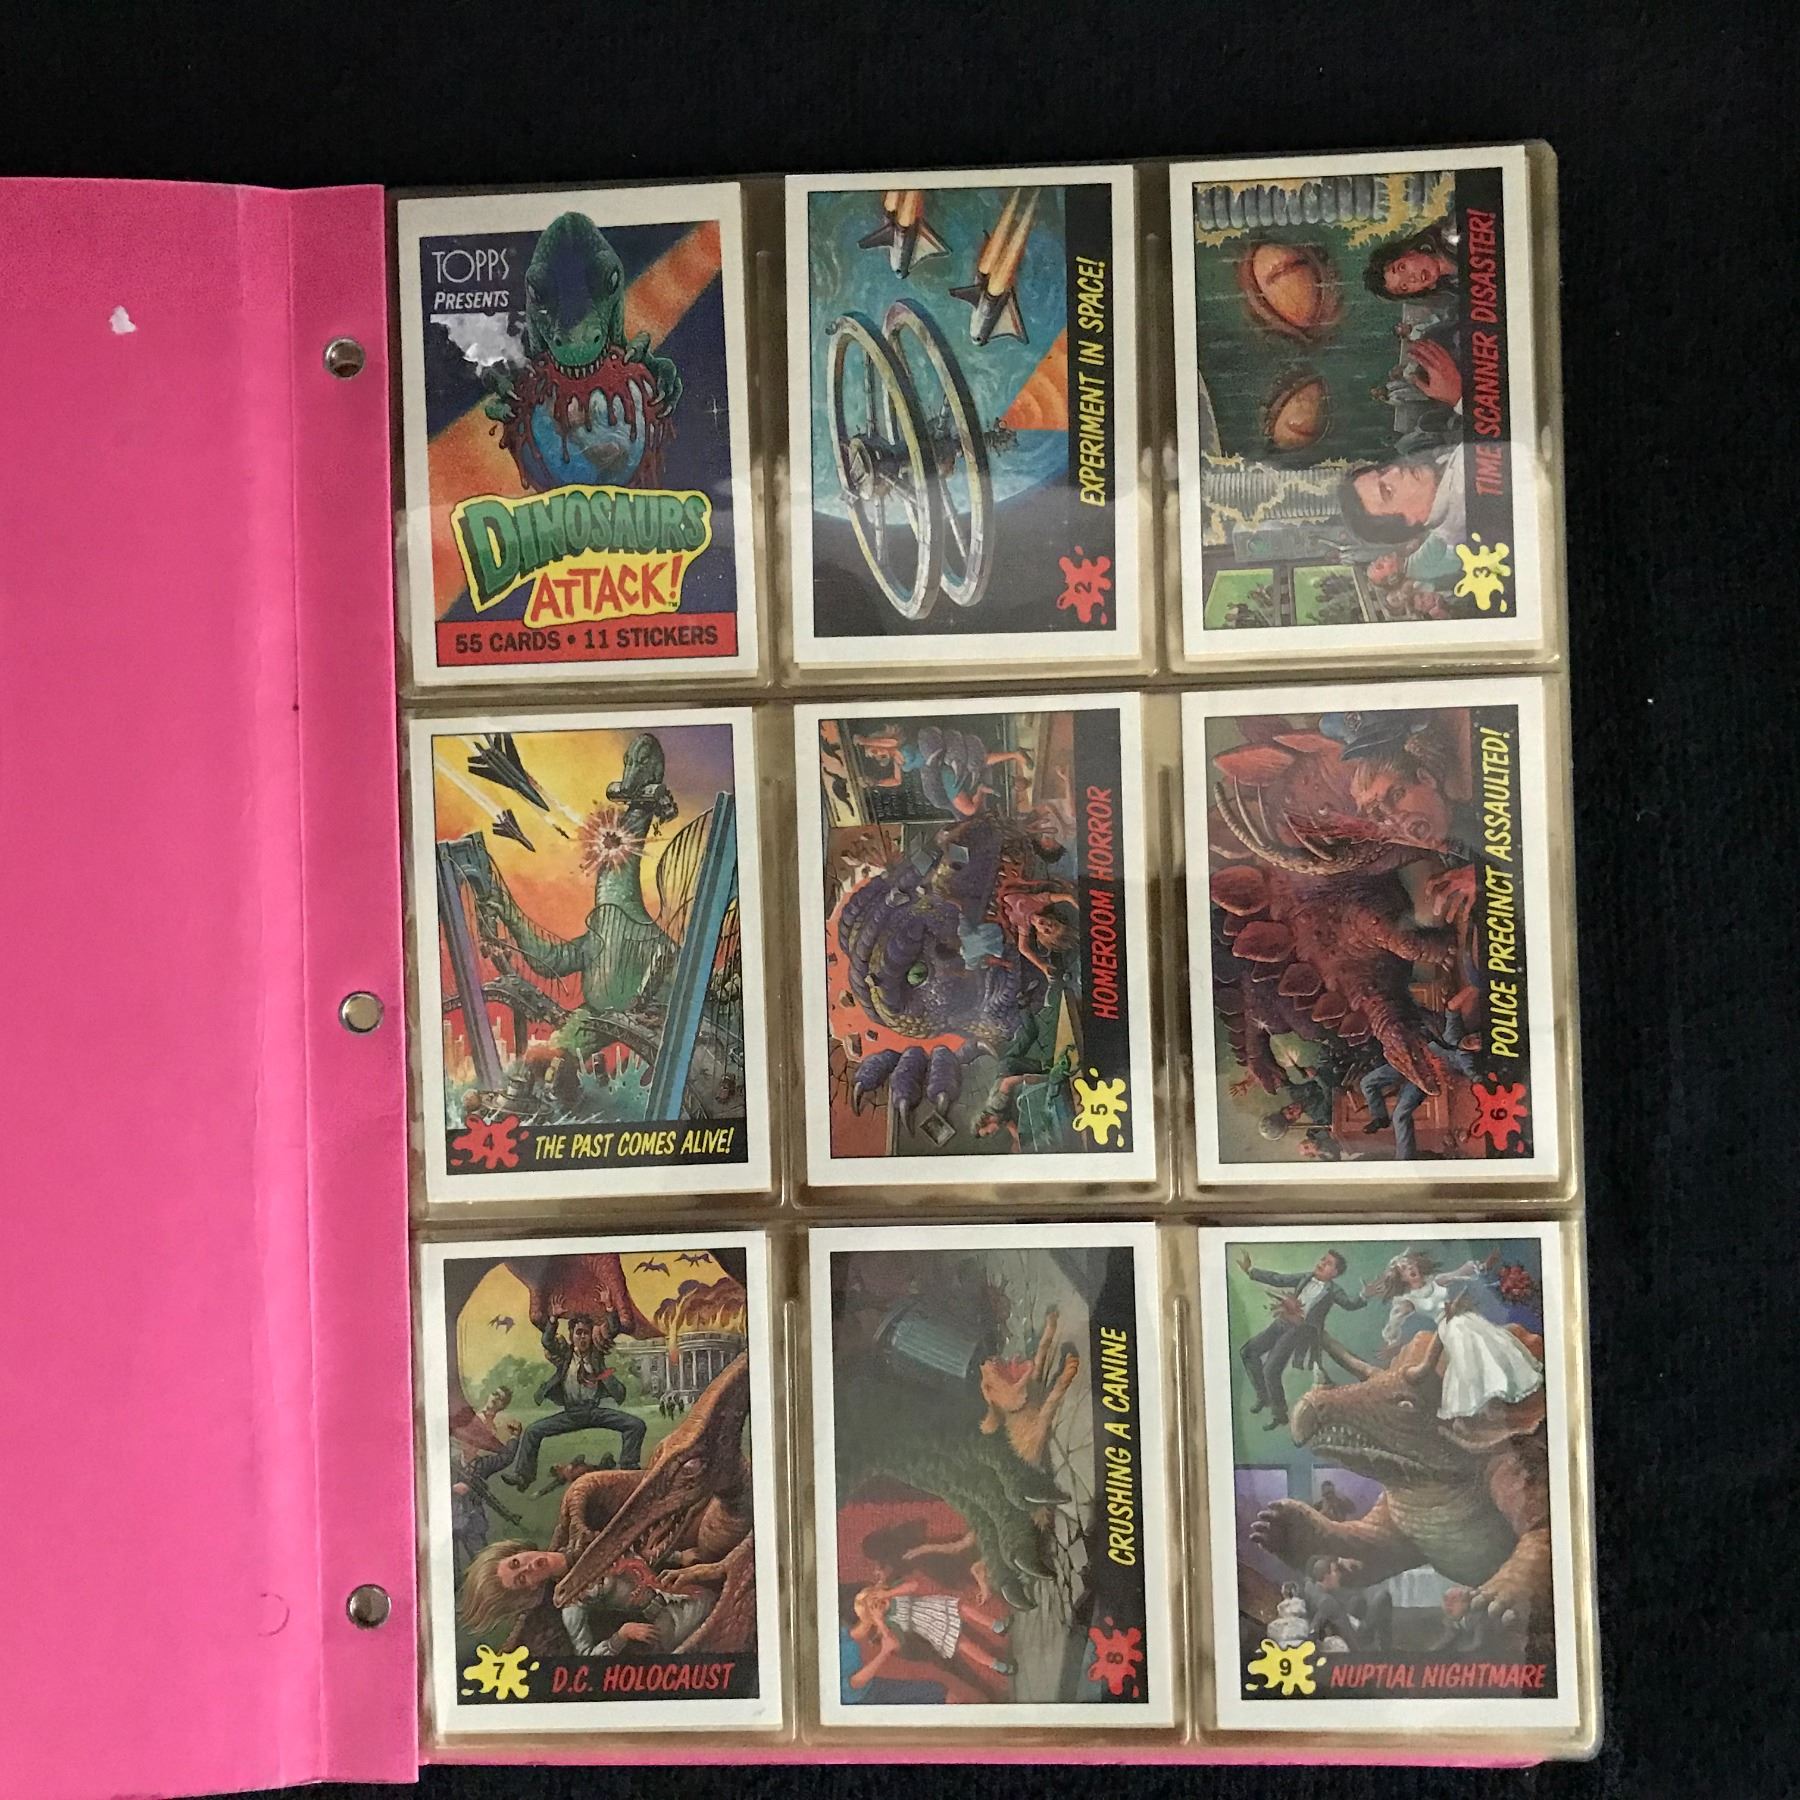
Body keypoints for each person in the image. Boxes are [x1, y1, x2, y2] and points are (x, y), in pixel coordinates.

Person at [1367, 1251, 1544, 1419]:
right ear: (1402, 1277)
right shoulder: (1408, 1300)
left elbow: (1461, 1272)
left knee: (1489, 1341)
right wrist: (1391, 1342)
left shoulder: (1436, 1281)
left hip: (1464, 1316)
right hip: (1447, 1326)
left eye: (1410, 1264)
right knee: (1463, 1340)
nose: (1410, 1269)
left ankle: (1502, 1387)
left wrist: (1483, 1266)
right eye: (1404, 1269)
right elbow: (1394, 1322)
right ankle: (1485, 1402)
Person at [497, 1312, 646, 1488]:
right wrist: (553, 1319)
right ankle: (523, 1476)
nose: (582, 1337)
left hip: (593, 1412)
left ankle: (629, 1466)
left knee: (636, 1425)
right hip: (571, 1414)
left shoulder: (596, 1354)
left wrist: (609, 1309)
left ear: (591, 1336)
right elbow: (547, 1341)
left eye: (586, 1333)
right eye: (578, 1333)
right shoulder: (565, 1356)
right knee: (532, 1431)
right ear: (571, 1336)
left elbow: (612, 1330)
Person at [1236, 1250, 1368, 1430]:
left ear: (1335, 1273)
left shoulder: (1333, 1290)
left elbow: (1349, 1304)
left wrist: (1363, 1296)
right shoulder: (1306, 1277)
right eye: (1323, 1259)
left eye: (1328, 1263)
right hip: (1283, 1321)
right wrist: (1251, 1271)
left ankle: (1279, 1414)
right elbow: (1278, 1279)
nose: (1322, 1263)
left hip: (1300, 1330)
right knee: (1248, 1352)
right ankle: (1264, 1396)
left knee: (1271, 1369)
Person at [1359, 1005, 1481, 1158]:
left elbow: (1473, 1074)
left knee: (1400, 1116)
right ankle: (1380, 1117)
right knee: (1367, 1083)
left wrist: (1478, 1079)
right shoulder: (1452, 1034)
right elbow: (1450, 1011)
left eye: (1478, 1042)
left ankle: (1405, 1159)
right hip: (1407, 1061)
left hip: (1423, 1079)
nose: (1474, 1040)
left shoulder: (1463, 1059)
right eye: (1476, 1036)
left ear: (1476, 1051)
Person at [1337, 449, 1466, 586]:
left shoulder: (1443, 464)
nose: (1396, 470)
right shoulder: (1465, 491)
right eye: (1388, 491)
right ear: (1407, 521)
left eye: (1383, 471)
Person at [1363, 224, 1460, 302]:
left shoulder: (1453, 231)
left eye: (1402, 268)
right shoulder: (1459, 291)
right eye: (1404, 287)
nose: (1412, 279)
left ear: (1409, 252)